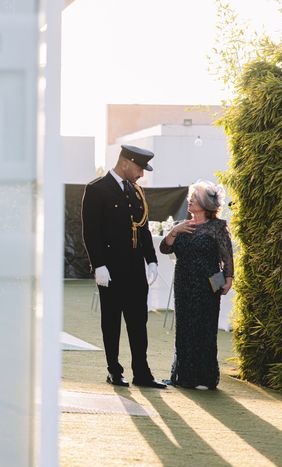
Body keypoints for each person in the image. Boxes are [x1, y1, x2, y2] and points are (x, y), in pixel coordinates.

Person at [81, 145, 166, 389]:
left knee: (138, 322)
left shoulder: (136, 192)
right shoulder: (96, 189)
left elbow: (143, 228)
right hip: (111, 269)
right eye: (139, 168)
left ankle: (142, 372)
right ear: (126, 162)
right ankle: (114, 371)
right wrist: (98, 265)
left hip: (135, 269)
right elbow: (90, 232)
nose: (141, 174)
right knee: (112, 321)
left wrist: (151, 260)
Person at [160, 180, 233, 390]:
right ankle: (185, 376)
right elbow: (165, 249)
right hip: (184, 283)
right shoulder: (182, 225)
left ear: (204, 203)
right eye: (190, 197)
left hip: (208, 285)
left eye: (194, 198)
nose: (189, 200)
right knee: (184, 328)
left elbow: (226, 254)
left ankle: (206, 376)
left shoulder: (217, 227)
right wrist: (175, 231)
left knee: (205, 328)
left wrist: (229, 278)